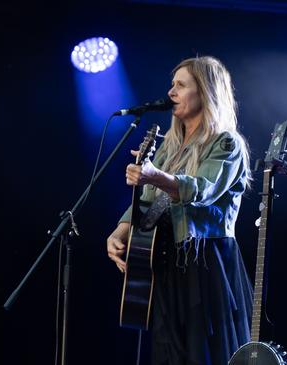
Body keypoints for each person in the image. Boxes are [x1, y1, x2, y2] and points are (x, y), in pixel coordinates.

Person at [106, 56, 253, 365]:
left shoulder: (227, 144)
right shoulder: (170, 145)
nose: (171, 92)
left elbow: (203, 189)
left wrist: (155, 175)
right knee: (168, 351)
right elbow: (148, 196)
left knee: (204, 351)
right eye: (172, 85)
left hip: (206, 260)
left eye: (181, 85)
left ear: (206, 92)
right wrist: (120, 229)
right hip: (166, 258)